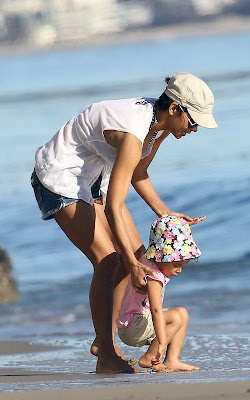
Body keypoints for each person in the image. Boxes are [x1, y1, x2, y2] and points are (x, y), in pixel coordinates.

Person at [31, 72, 217, 373]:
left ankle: (102, 339)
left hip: (93, 174)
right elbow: (116, 208)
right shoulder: (134, 133)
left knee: (139, 255)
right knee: (109, 260)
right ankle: (106, 353)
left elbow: (138, 172)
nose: (195, 129)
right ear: (174, 109)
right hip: (60, 175)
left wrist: (165, 213)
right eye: (193, 121)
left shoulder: (159, 127)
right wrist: (129, 265)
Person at [116, 216, 201, 373]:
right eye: (175, 264)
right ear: (162, 255)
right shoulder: (153, 275)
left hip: (134, 323)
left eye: (182, 266)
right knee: (178, 315)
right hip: (134, 326)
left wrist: (182, 225)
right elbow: (156, 309)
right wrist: (162, 341)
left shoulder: (147, 260)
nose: (179, 270)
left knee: (183, 314)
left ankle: (172, 360)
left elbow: (162, 236)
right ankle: (150, 357)